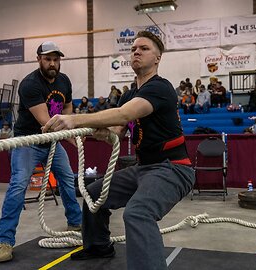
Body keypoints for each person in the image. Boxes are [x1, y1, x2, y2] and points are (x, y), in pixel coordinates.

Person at [43, 31, 195, 270]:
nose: (136, 51)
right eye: (134, 48)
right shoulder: (128, 94)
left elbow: (125, 114)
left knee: (138, 213)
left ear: (158, 58)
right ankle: (98, 246)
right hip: (143, 168)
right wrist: (96, 131)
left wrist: (74, 119)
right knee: (93, 194)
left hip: (172, 169)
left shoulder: (161, 88)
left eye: (144, 48)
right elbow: (116, 131)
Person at [0, 41, 82, 263]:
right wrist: (72, 137)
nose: (52, 63)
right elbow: (46, 122)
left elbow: (68, 108)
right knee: (18, 185)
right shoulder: (30, 84)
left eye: (56, 59)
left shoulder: (64, 81)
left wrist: (71, 126)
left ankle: (76, 223)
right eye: (48, 59)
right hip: (28, 141)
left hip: (53, 141)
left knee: (67, 179)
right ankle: (5, 240)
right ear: (39, 59)